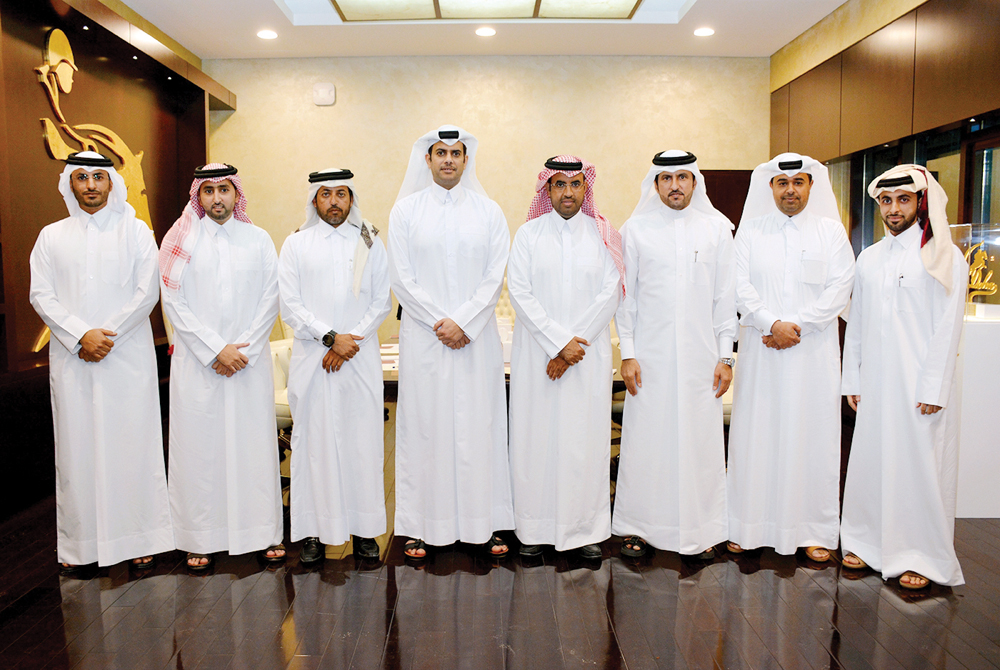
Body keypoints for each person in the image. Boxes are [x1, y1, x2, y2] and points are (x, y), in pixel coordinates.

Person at [29, 151, 172, 575]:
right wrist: (80, 335)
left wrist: (104, 336)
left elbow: (147, 292)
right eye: (81, 177)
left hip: (125, 358)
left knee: (132, 446)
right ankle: (81, 546)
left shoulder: (137, 232)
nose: (90, 185)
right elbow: (41, 295)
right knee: (78, 451)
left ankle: (140, 540)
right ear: (70, 184)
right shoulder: (51, 236)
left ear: (111, 182)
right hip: (74, 359)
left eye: (98, 177)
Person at [388, 126, 514, 560]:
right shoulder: (405, 212)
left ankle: (487, 524)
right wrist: (440, 323)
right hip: (426, 340)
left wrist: (463, 322)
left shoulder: (489, 212)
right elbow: (401, 277)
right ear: (427, 159)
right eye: (440, 153)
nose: (447, 160)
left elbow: (495, 275)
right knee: (426, 429)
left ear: (466, 159)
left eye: (455, 153)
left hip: (475, 340)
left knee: (481, 429)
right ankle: (421, 527)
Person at [841, 165, 967, 589]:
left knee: (918, 471)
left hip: (920, 387)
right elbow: (857, 323)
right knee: (871, 463)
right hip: (876, 385)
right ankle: (866, 542)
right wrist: (853, 379)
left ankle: (922, 557)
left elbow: (949, 328)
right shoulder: (870, 258)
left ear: (921, 203)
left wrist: (935, 386)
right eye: (886, 201)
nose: (893, 209)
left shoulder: (944, 257)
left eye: (903, 200)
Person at [727, 152, 855, 562]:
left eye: (799, 182)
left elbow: (840, 287)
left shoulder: (830, 233)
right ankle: (747, 526)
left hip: (812, 355)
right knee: (757, 435)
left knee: (812, 437)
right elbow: (737, 286)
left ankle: (813, 530)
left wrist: (795, 326)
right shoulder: (750, 232)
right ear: (771, 187)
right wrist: (770, 323)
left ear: (811, 186)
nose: (790, 190)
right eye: (783, 183)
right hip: (761, 351)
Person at [612, 150, 737, 560]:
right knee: (647, 443)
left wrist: (726, 357)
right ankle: (639, 528)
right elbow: (626, 299)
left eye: (683, 177)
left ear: (695, 182)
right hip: (649, 359)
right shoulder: (635, 230)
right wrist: (628, 353)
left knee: (699, 445)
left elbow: (725, 299)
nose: (675, 185)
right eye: (666, 178)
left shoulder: (717, 229)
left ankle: (702, 530)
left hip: (703, 360)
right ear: (655, 184)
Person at [159, 163, 284, 571]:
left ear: (236, 194)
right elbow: (173, 301)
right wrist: (215, 349)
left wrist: (241, 349)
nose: (217, 198)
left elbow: (271, 297)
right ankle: (200, 537)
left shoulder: (258, 239)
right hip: (201, 365)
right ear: (198, 195)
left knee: (253, 449)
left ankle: (261, 534)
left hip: (247, 363)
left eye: (225, 189)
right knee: (200, 451)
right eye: (209, 190)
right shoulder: (181, 239)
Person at [507, 155, 623, 560]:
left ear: (585, 188)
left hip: (585, 358)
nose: (567, 192)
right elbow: (519, 292)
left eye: (575, 184)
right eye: (559, 184)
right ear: (548, 189)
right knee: (535, 441)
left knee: (583, 443)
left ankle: (584, 531)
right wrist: (558, 343)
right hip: (538, 356)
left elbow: (611, 292)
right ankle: (533, 529)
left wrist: (574, 346)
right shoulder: (528, 234)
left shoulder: (604, 234)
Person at [278, 169, 391, 564]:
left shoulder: (369, 239)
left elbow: (381, 301)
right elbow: (290, 304)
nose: (334, 202)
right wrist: (330, 337)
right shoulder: (296, 243)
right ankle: (313, 532)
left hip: (358, 358)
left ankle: (364, 531)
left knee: (362, 444)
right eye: (325, 194)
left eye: (341, 194)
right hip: (314, 360)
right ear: (314, 200)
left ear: (351, 198)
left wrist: (347, 342)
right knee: (314, 445)